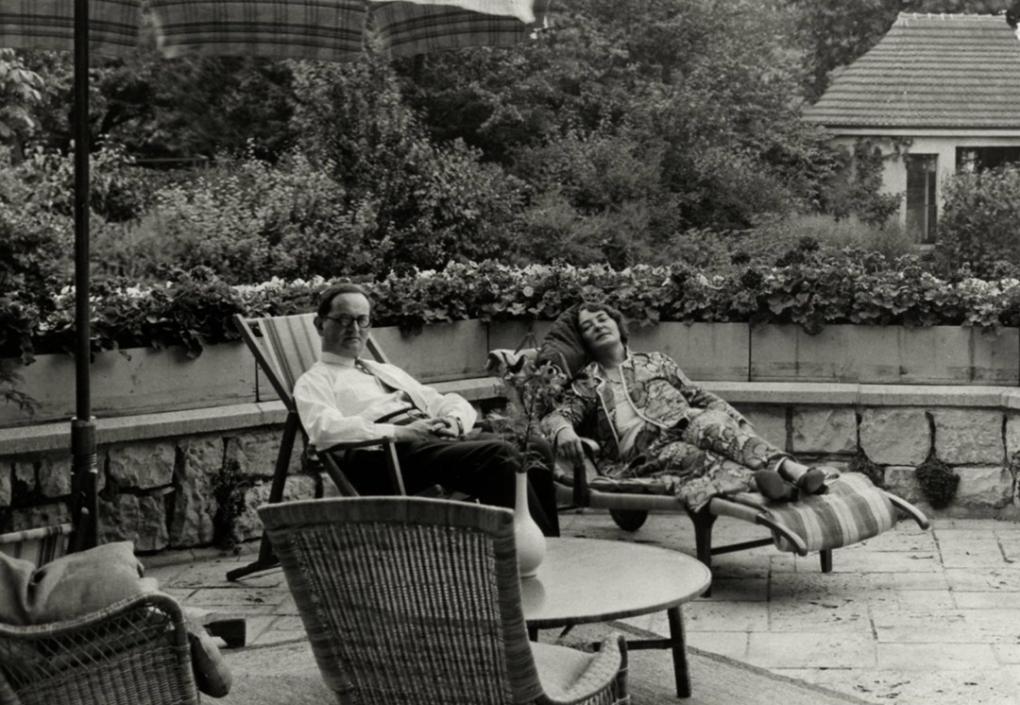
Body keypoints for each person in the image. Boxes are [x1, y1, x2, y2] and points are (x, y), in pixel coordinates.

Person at [294, 282, 559, 536]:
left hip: (428, 444)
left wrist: (455, 420)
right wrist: (399, 432)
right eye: (343, 319)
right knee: (499, 455)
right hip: (385, 458)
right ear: (320, 325)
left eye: (362, 320)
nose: (354, 328)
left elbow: (438, 400)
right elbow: (324, 430)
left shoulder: (384, 370)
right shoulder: (314, 380)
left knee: (533, 446)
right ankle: (533, 556)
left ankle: (549, 547)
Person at [540, 302, 831, 513]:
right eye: (588, 328)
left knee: (711, 423)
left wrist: (735, 420)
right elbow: (559, 415)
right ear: (584, 342)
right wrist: (564, 432)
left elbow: (697, 395)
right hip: (642, 453)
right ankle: (767, 483)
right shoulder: (587, 381)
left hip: (687, 424)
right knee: (694, 457)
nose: (598, 327)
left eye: (602, 319)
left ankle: (795, 472)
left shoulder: (657, 361)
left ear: (618, 325)